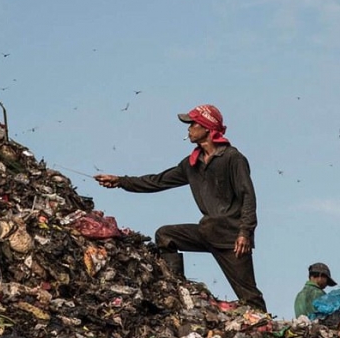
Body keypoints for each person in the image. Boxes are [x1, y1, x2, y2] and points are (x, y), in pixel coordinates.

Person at [94, 104, 266, 311]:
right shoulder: (192, 164)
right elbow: (158, 181)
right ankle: (176, 288)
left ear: (207, 128)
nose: (189, 129)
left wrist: (245, 233)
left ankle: (265, 328)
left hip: (232, 238)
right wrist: (120, 181)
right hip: (207, 231)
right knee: (166, 236)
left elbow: (248, 196)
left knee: (249, 296)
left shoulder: (232, 158)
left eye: (193, 124)